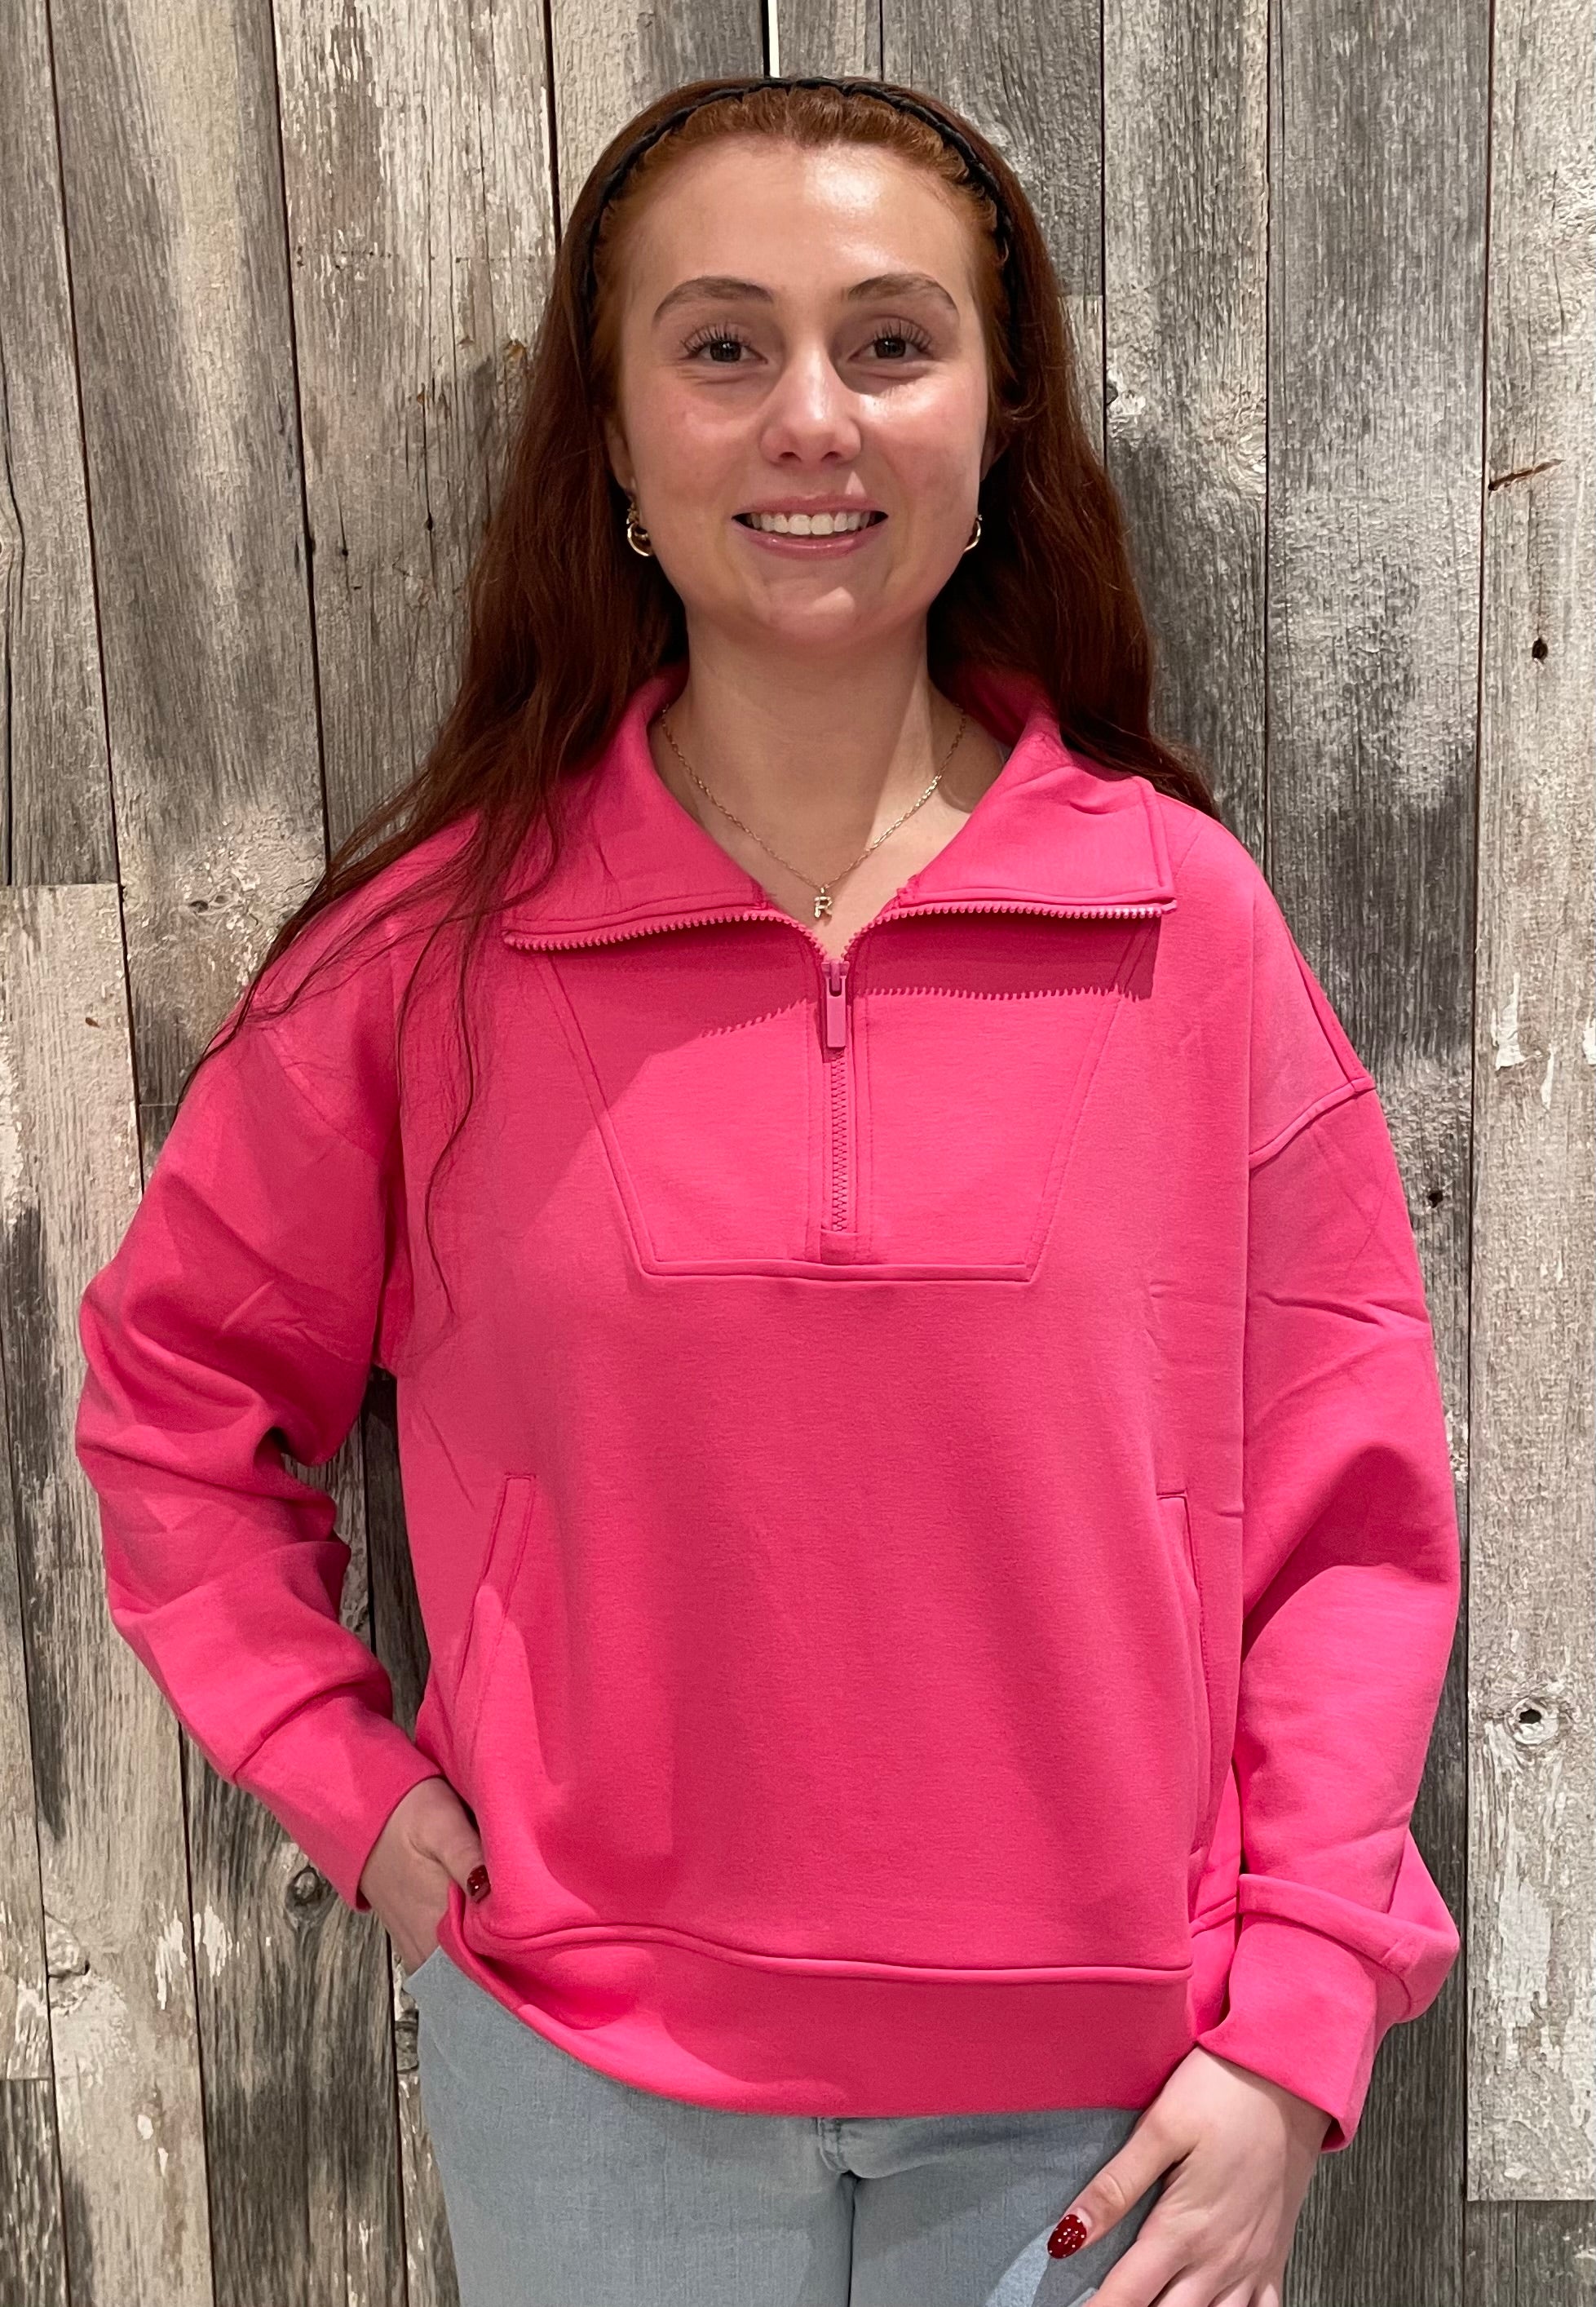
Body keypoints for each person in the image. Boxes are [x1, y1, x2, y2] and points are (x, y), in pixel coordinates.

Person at [73, 73, 1462, 2307]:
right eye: (723, 346)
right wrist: (342, 1772)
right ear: (614, 446)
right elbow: (172, 1401)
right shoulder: (436, 957)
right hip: (584, 2078)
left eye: (890, 342)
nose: (812, 415)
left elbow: (1354, 1518)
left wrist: (1300, 2016)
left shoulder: (1179, 925)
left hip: (1112, 2094)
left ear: (998, 423)